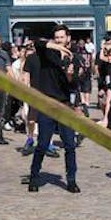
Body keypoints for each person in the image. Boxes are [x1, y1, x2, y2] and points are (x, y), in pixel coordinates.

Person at [28, 24, 80, 194]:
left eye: (62, 37)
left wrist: (70, 74)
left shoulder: (73, 58)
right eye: (56, 37)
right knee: (42, 144)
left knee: (70, 145)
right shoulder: (47, 53)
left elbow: (73, 86)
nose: (59, 40)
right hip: (47, 104)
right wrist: (56, 47)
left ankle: (71, 180)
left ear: (68, 38)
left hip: (64, 105)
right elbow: (36, 42)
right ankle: (34, 177)